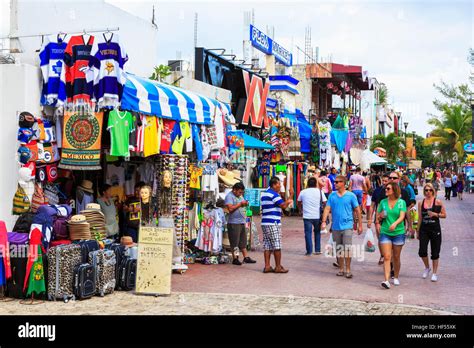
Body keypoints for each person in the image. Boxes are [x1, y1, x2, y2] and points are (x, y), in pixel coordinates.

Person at [321, 175, 362, 279]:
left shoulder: (351, 195)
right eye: (335, 182)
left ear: (344, 183)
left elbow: (357, 210)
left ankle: (348, 269)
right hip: (336, 226)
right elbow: (327, 209)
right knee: (339, 249)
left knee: (347, 248)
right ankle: (341, 269)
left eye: (338, 182)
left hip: (347, 225)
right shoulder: (332, 196)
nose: (336, 184)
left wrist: (360, 225)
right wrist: (323, 221)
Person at [260, 177, 293, 274]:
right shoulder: (274, 194)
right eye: (279, 184)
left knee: (267, 245)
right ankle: (278, 266)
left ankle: (267, 266)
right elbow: (283, 205)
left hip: (265, 222)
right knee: (276, 245)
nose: (280, 186)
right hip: (273, 222)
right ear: (274, 185)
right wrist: (291, 195)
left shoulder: (265, 193)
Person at [377, 183, 407, 289]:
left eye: (388, 188)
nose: (386, 190)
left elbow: (402, 216)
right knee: (387, 256)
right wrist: (379, 217)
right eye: (386, 188)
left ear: (394, 190)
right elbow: (378, 216)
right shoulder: (383, 202)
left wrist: (395, 223)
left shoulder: (401, 202)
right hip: (385, 232)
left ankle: (396, 276)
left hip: (398, 232)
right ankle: (386, 280)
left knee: (396, 257)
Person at [417, 183, 446, 282]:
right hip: (424, 230)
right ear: (424, 192)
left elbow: (444, 215)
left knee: (435, 252)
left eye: (430, 190)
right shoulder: (421, 203)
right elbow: (420, 217)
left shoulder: (437, 202)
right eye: (426, 190)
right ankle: (427, 267)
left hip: (435, 229)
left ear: (433, 191)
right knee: (422, 251)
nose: (428, 192)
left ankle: (434, 273)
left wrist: (435, 214)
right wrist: (417, 230)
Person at [224, 182, 257, 265]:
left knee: (243, 241)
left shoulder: (240, 196)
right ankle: (235, 258)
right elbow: (230, 209)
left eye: (242, 192)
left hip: (242, 221)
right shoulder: (229, 196)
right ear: (234, 190)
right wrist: (240, 204)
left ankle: (246, 257)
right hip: (234, 223)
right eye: (239, 192)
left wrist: (245, 204)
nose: (241, 194)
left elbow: (242, 204)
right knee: (234, 242)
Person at [297, 177, 327, 256]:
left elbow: (299, 202)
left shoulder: (303, 192)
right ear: (316, 184)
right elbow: (325, 202)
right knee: (317, 232)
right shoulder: (320, 192)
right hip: (317, 216)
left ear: (308, 184)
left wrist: (300, 210)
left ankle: (309, 251)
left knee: (308, 233)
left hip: (307, 216)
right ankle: (317, 250)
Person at [368, 173, 390, 265]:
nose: (384, 183)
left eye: (386, 181)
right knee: (381, 239)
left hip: (390, 219)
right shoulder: (377, 191)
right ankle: (382, 255)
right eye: (383, 181)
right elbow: (372, 206)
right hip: (379, 219)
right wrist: (369, 219)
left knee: (388, 239)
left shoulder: (393, 191)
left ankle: (388, 257)